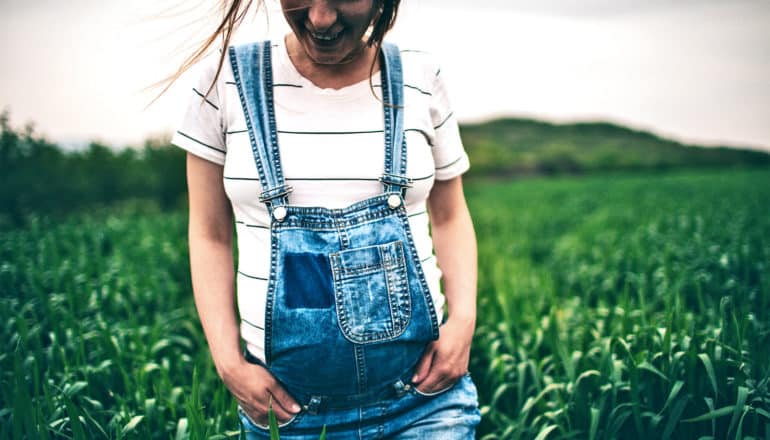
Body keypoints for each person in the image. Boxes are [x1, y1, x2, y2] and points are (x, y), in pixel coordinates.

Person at [169, 0, 480, 437]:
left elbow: (449, 215)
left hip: (423, 402)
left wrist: (463, 320)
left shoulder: (420, 78)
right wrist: (228, 362)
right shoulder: (224, 80)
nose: (320, 18)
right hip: (287, 414)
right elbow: (209, 233)